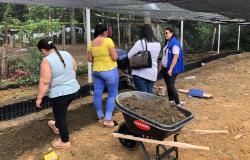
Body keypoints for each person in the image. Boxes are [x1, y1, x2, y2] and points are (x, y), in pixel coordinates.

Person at [36, 39, 80, 149]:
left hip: (60, 94)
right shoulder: (66, 53)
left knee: (60, 116)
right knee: (62, 111)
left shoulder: (46, 60)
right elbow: (75, 67)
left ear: (43, 50)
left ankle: (65, 142)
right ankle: (56, 125)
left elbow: (45, 82)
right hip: (74, 90)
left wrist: (39, 98)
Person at [87, 23, 119, 127]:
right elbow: (114, 57)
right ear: (105, 32)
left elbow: (90, 59)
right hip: (109, 71)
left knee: (97, 94)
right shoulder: (108, 40)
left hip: (96, 72)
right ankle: (108, 119)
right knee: (112, 95)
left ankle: (100, 116)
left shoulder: (90, 43)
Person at [127, 24, 161, 93]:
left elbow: (129, 56)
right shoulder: (158, 44)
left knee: (142, 96)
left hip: (140, 73)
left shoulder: (141, 42)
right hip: (152, 73)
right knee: (149, 95)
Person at [159, 28, 185, 107]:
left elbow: (176, 56)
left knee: (170, 85)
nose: (165, 35)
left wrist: (170, 69)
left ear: (172, 33)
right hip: (165, 68)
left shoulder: (175, 43)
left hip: (172, 69)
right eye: (164, 33)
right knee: (168, 85)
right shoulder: (168, 43)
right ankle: (171, 102)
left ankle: (178, 103)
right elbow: (165, 56)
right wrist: (160, 66)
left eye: (166, 33)